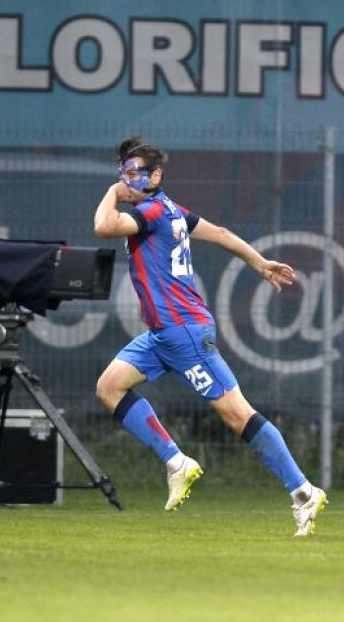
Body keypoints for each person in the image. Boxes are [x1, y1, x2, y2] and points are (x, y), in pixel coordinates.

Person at [93, 137, 328, 537]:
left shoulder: (150, 210)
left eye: (136, 172)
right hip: (162, 334)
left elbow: (103, 226)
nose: (128, 179)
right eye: (124, 172)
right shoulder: (171, 209)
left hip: (182, 332)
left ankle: (303, 491)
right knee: (109, 387)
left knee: (237, 414)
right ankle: (176, 462)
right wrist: (259, 262)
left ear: (157, 177)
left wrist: (112, 193)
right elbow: (219, 233)